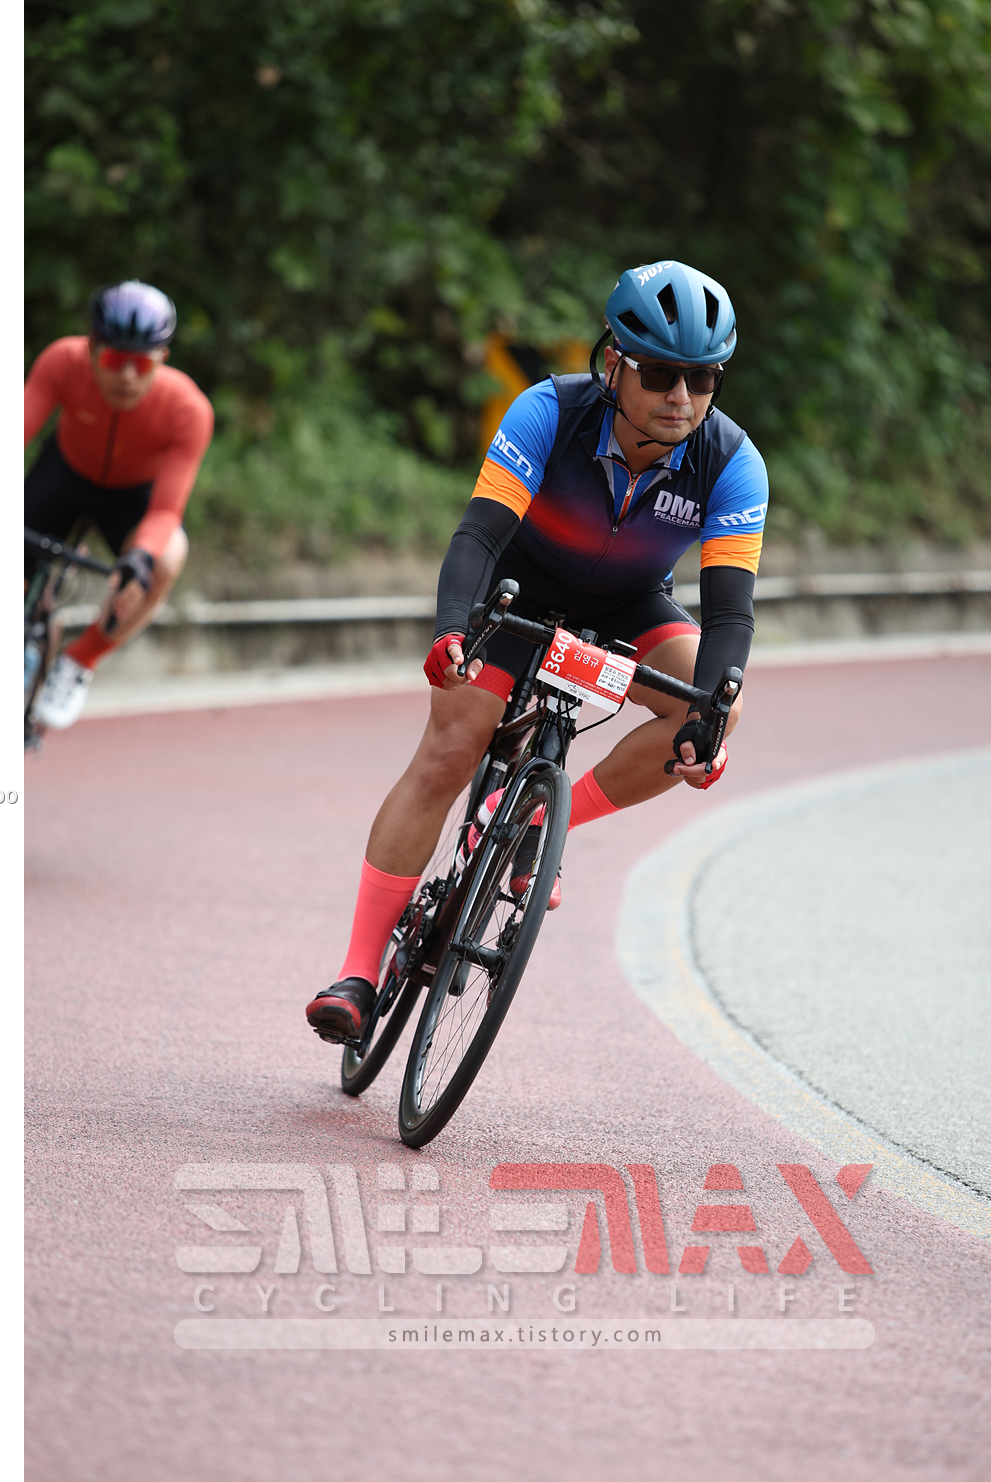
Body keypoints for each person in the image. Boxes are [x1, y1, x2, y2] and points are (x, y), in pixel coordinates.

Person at [306, 260, 768, 1043]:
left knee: (722, 701)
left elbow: (729, 612)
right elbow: (480, 535)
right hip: (515, 589)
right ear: (615, 362)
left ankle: (540, 821)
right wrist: (451, 628)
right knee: (451, 750)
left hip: (627, 604)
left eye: (703, 379)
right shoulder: (549, 410)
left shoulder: (732, 462)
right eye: (661, 375)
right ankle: (357, 973)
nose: (682, 398)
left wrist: (710, 718)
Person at [25, 280, 214, 729]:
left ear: (162, 359)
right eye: (114, 360)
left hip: (132, 497)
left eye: (142, 363)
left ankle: (79, 661)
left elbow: (165, 512)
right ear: (91, 348)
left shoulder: (188, 409)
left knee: (167, 556)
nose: (128, 376)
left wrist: (140, 557)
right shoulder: (63, 361)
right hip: (64, 473)